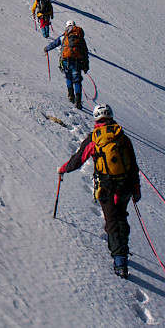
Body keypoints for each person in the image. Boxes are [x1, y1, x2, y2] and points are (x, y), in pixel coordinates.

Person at [57, 104, 141, 278]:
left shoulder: (95, 138)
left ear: (96, 119)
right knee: (121, 216)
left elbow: (78, 160)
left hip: (106, 188)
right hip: (125, 186)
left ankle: (119, 262)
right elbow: (133, 165)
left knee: (112, 221)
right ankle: (121, 250)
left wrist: (63, 169)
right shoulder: (122, 137)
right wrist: (136, 189)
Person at [44, 20, 89, 109]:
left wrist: (46, 49)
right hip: (76, 62)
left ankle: (70, 95)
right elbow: (85, 52)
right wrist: (85, 66)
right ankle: (78, 101)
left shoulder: (64, 36)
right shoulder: (80, 38)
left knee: (68, 77)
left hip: (65, 61)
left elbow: (54, 43)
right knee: (77, 80)